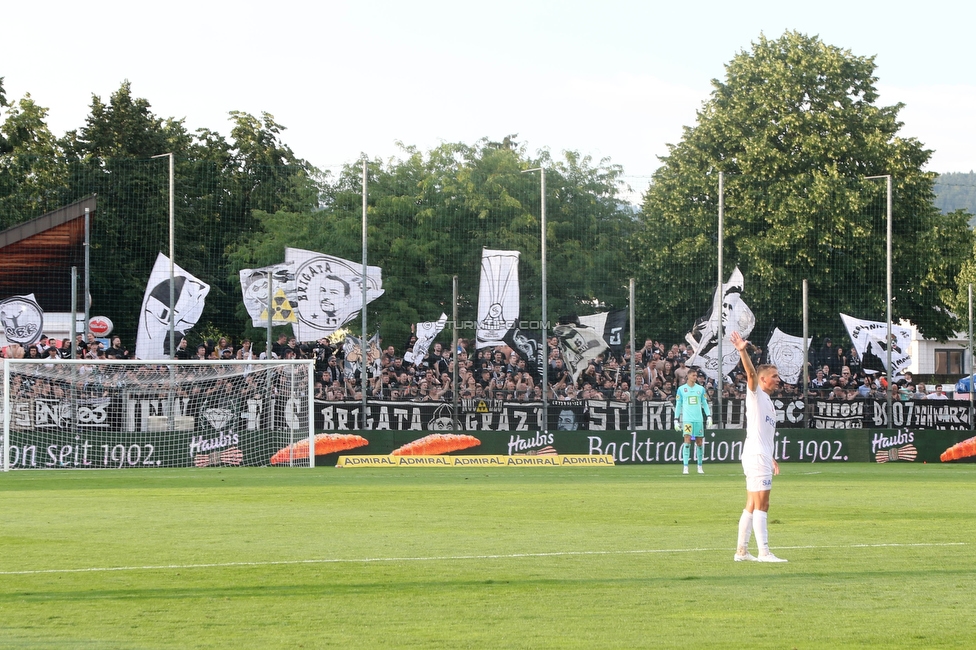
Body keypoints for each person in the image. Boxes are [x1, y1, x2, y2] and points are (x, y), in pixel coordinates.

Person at [730, 330, 787, 563]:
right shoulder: (756, 394)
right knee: (763, 504)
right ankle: (764, 552)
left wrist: (771, 457)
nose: (778, 379)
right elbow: (751, 373)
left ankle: (741, 552)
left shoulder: (768, 403)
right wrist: (743, 351)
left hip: (759, 455)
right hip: (756, 456)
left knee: (752, 505)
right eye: (774, 376)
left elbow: (764, 434)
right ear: (763, 379)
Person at [674, 368, 712, 474]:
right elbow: (678, 405)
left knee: (699, 442)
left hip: (698, 419)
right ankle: (685, 467)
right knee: (687, 441)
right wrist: (676, 420)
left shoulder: (700, 389)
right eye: (694, 375)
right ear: (688, 376)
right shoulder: (682, 389)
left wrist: (709, 416)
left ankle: (699, 466)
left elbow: (704, 403)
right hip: (687, 420)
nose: (696, 377)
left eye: (696, 376)